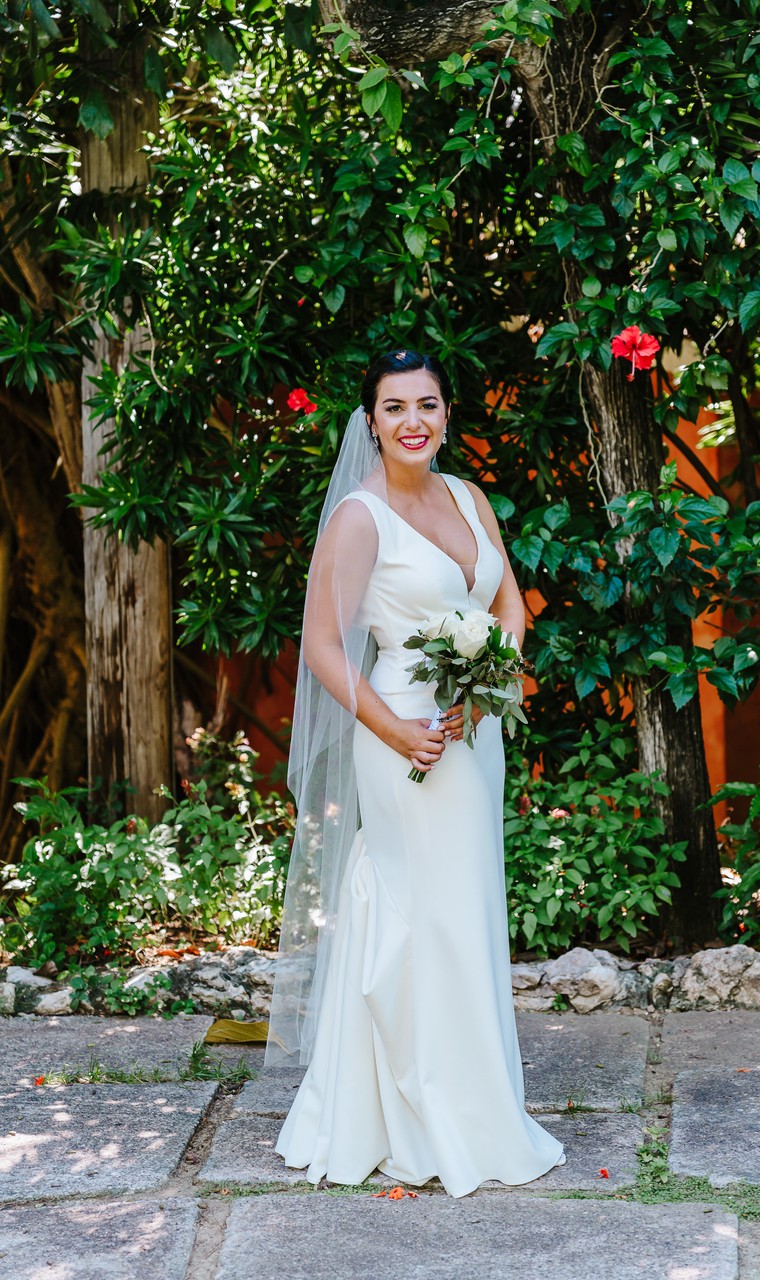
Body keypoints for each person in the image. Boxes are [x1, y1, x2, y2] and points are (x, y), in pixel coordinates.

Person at [264, 348, 566, 1197]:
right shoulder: (359, 519)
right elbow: (324, 645)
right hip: (405, 738)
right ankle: (413, 1114)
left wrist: (487, 680)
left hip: (472, 733)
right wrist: (399, 730)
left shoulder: (468, 497)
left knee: (463, 913)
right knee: (417, 914)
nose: (412, 422)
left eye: (426, 405)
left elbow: (506, 603)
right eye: (394, 408)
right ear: (371, 423)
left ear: (445, 414)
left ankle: (474, 1109)